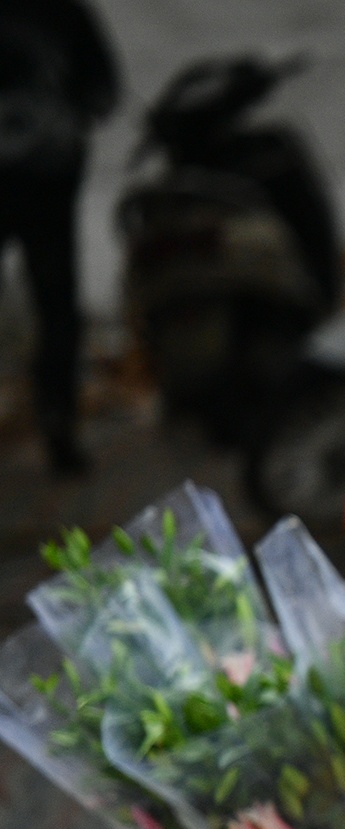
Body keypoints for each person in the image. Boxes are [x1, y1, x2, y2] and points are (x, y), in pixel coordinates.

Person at [0, 0, 118, 475]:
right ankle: (59, 426)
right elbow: (103, 92)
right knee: (57, 306)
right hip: (48, 179)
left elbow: (102, 90)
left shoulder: (64, 13)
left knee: (58, 308)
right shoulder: (62, 12)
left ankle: (59, 424)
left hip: (47, 180)